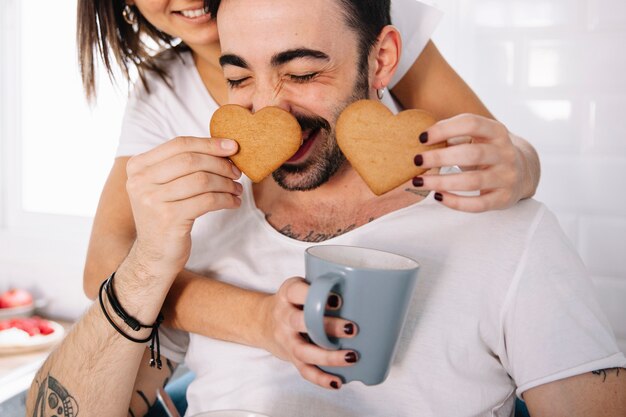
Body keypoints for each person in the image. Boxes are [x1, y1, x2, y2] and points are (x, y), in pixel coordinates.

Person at [27, 0, 626, 416]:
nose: (270, 112)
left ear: (384, 59)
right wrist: (151, 259)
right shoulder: (206, 230)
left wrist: (523, 162)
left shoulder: (509, 235)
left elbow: (494, 147)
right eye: (238, 79)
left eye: (304, 72)